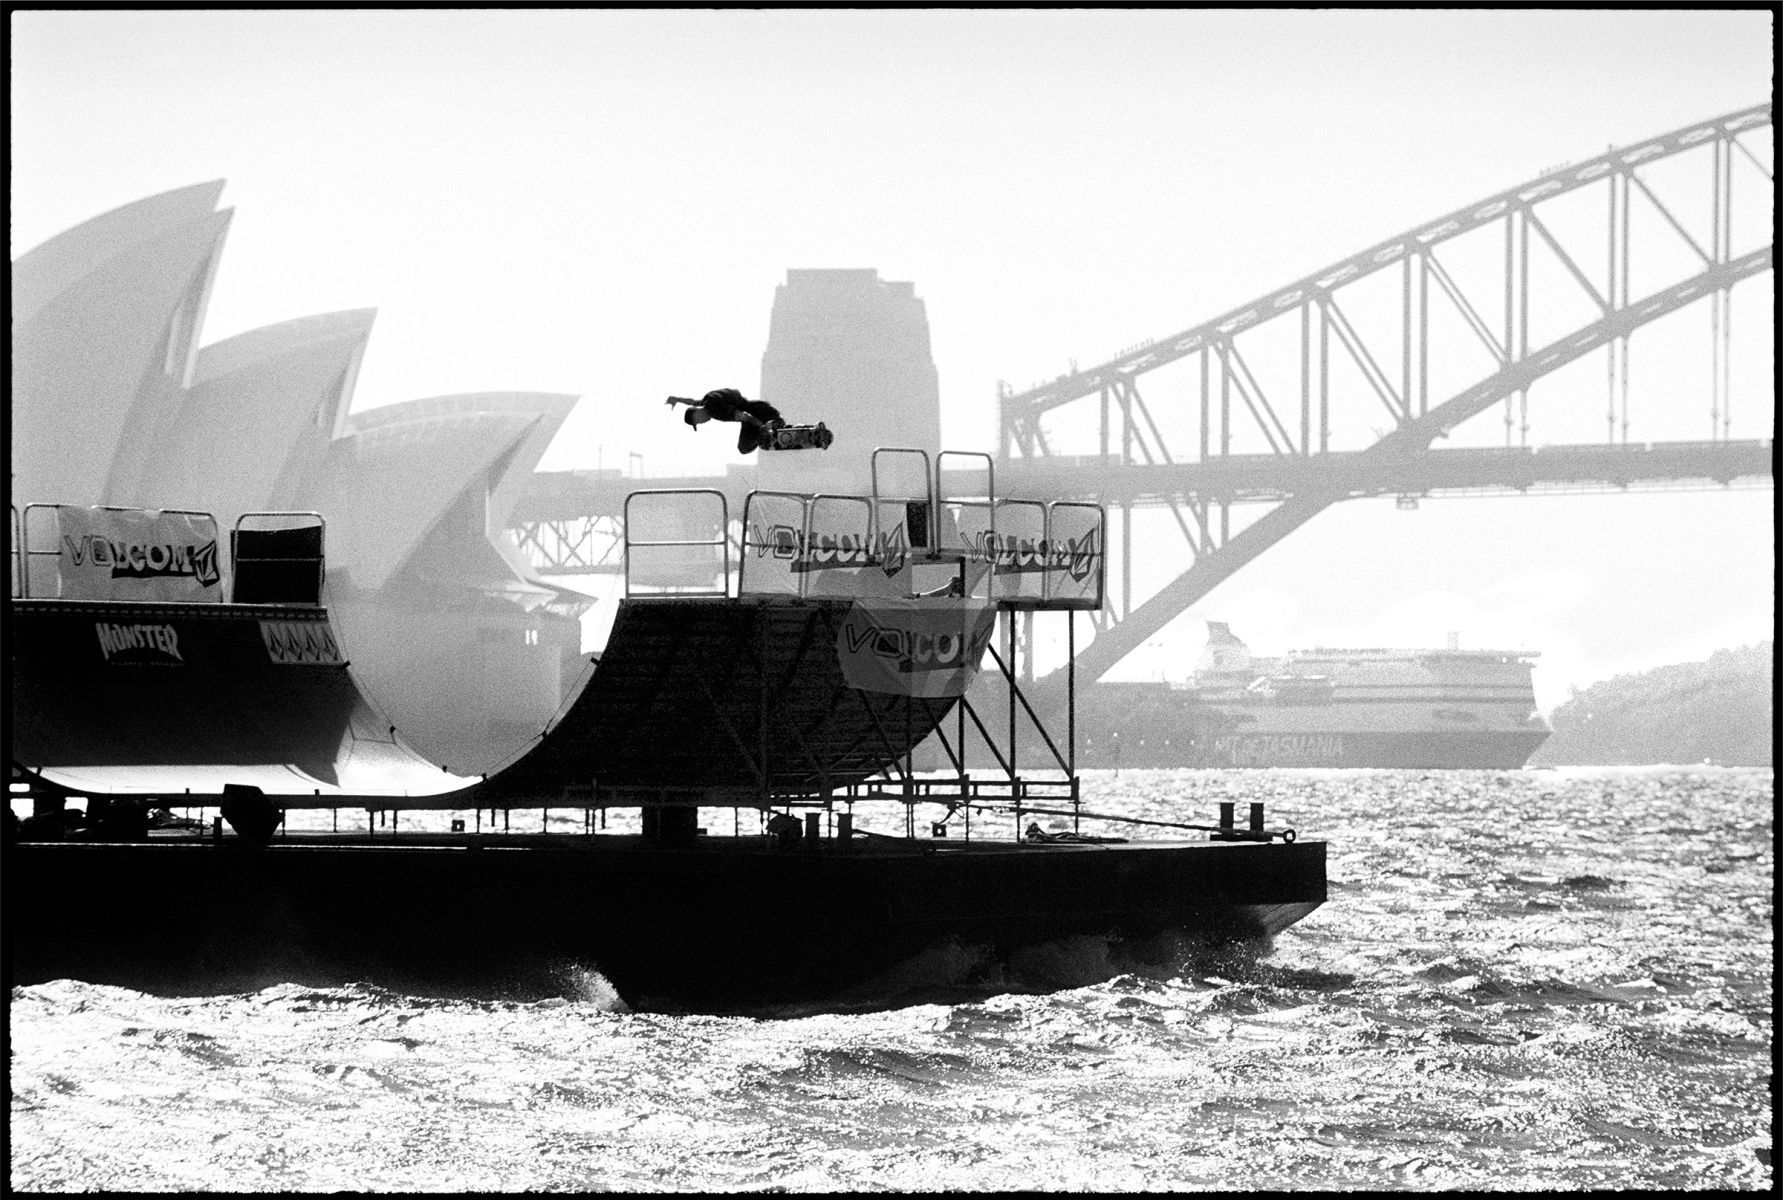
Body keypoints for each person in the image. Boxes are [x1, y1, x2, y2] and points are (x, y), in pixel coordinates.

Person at [667, 388, 785, 454]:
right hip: (762, 407)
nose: (703, 423)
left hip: (758, 414)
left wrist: (762, 428)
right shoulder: (708, 399)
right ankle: (774, 425)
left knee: (744, 448)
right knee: (747, 443)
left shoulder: (716, 412)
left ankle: (770, 429)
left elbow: (745, 416)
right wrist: (677, 399)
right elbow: (692, 402)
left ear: (697, 413)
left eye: (699, 421)